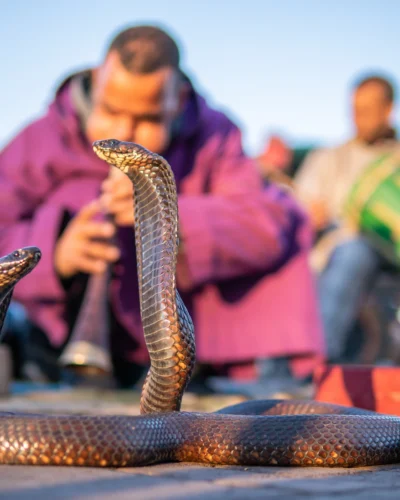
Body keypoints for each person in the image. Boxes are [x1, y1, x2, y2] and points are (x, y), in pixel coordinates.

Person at [0, 25, 324, 389]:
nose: (126, 130)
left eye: (149, 119)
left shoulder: (215, 135)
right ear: (96, 80)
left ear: (178, 99)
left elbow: (263, 224)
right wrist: (57, 252)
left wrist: (166, 213)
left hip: (178, 350)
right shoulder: (40, 137)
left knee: (293, 220)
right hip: (58, 342)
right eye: (111, 110)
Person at [294, 74, 400, 362]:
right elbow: (297, 210)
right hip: (336, 252)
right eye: (355, 110)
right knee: (354, 251)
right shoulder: (328, 157)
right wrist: (309, 215)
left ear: (388, 109)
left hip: (390, 255)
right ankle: (316, 362)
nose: (359, 118)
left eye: (367, 111)